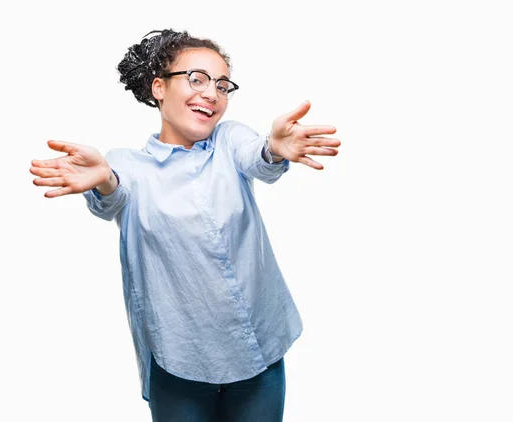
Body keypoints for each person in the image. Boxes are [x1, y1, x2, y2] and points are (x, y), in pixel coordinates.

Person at [30, 29, 340, 422]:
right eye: (197, 79)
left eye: (222, 85)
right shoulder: (128, 165)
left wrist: (274, 148)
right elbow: (112, 193)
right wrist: (104, 179)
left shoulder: (229, 141)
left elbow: (257, 156)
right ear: (159, 87)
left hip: (258, 348)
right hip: (180, 362)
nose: (212, 93)